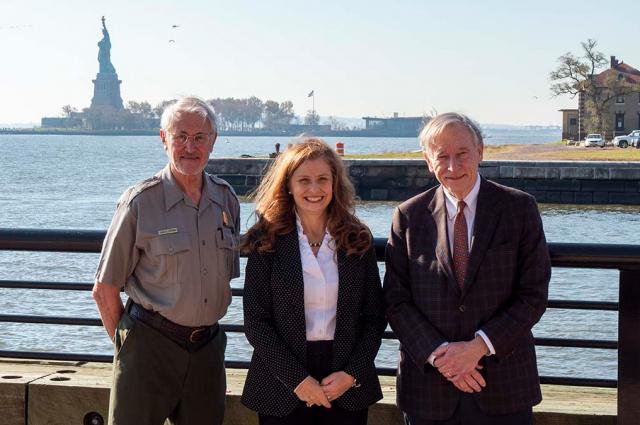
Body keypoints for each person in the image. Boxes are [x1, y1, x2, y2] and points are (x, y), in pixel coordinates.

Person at [384, 113, 551, 425]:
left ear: (481, 151)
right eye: (442, 156)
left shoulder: (519, 209)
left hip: (504, 386)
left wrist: (477, 348)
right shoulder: (408, 217)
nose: (453, 166)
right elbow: (396, 301)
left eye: (462, 154)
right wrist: (443, 357)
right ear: (427, 160)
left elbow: (533, 294)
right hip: (429, 390)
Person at [92, 96, 239, 425]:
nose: (191, 146)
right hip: (149, 346)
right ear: (163, 139)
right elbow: (104, 290)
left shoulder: (226, 199)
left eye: (200, 137)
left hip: (207, 350)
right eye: (180, 136)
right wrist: (132, 352)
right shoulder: (140, 202)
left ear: (213, 141)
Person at [241, 139, 386, 425]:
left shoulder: (358, 238)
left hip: (346, 382)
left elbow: (375, 317)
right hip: (281, 381)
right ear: (288, 185)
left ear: (335, 183)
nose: (314, 189)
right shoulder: (265, 239)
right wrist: (298, 380)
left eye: (323, 179)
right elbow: (255, 321)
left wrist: (352, 374)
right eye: (304, 180)